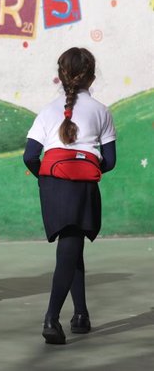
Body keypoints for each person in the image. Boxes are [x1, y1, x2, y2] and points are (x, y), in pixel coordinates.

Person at [24, 47, 116, 344]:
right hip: (82, 186)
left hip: (52, 185)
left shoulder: (47, 111)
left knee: (71, 245)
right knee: (71, 245)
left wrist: (48, 177)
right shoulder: (101, 110)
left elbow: (29, 156)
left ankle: (81, 314)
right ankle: (51, 318)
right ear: (91, 76)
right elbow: (110, 161)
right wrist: (85, 169)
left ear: (60, 76)